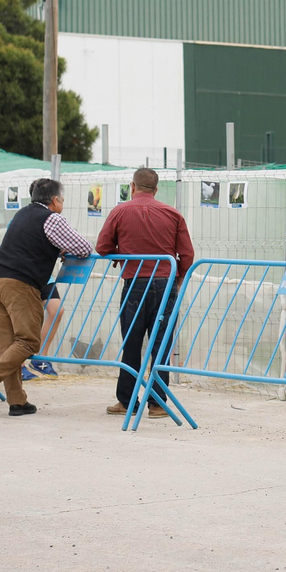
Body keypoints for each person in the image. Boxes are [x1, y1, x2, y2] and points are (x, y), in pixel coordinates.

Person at [0, 177, 94, 416]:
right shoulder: (52, 218)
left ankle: (17, 401)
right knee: (29, 341)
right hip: (21, 284)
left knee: (9, 346)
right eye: (63, 199)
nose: (63, 204)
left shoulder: (22, 214)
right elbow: (83, 247)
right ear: (55, 200)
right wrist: (64, 249)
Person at [95, 167, 195, 419]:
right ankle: (158, 403)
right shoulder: (172, 213)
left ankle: (127, 401)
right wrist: (178, 278)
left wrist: (122, 252)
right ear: (156, 189)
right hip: (165, 283)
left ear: (132, 186)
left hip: (135, 284)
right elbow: (188, 254)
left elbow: (102, 247)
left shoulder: (120, 211)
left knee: (132, 342)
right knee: (161, 344)